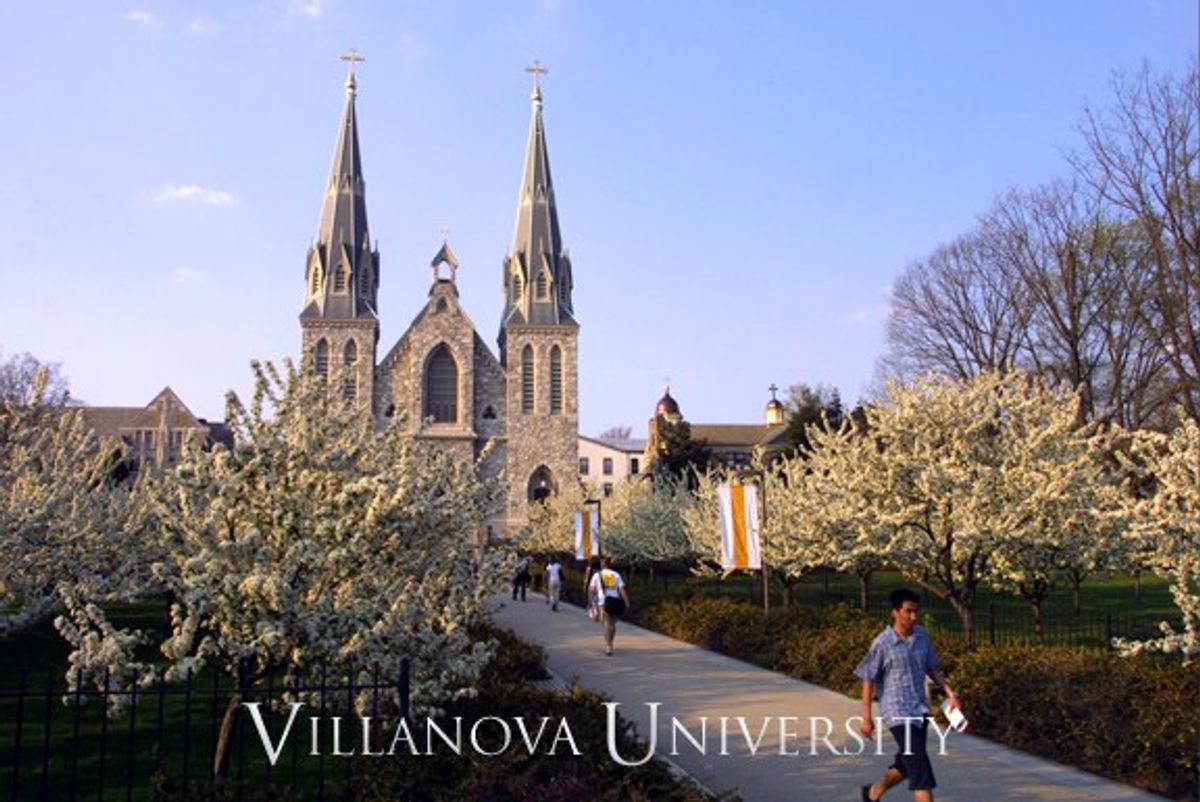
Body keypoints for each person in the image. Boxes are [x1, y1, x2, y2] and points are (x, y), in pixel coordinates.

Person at [856, 589, 960, 802]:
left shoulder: (922, 636)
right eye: (908, 611)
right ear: (895, 612)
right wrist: (866, 717)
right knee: (920, 768)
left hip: (919, 709)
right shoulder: (882, 643)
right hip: (897, 713)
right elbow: (868, 679)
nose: (913, 616)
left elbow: (933, 669)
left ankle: (873, 793)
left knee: (907, 762)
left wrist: (950, 693)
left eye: (916, 611)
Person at [588, 557, 630, 656]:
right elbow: (622, 590)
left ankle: (608, 646)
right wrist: (626, 601)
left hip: (603, 601)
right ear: (610, 564)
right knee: (612, 624)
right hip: (615, 601)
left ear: (602, 564)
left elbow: (592, 590)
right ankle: (610, 642)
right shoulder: (616, 575)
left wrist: (591, 602)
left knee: (607, 623)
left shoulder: (597, 575)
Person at [582, 555, 602, 622]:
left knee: (591, 600)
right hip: (599, 585)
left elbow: (587, 578)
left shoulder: (589, 568)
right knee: (598, 599)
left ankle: (594, 613)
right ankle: (598, 613)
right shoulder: (600, 569)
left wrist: (585, 586)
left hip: (591, 585)